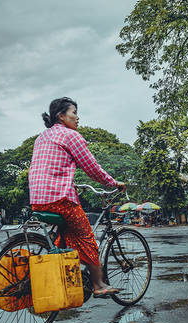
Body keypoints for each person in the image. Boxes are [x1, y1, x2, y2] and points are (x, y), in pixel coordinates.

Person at [29, 97, 126, 297]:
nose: (78, 117)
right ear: (61, 116)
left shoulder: (42, 137)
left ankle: (67, 276)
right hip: (59, 198)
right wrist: (113, 183)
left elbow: (50, 168)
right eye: (74, 112)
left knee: (66, 236)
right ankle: (99, 285)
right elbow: (92, 168)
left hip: (38, 198)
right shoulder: (70, 136)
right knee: (87, 236)